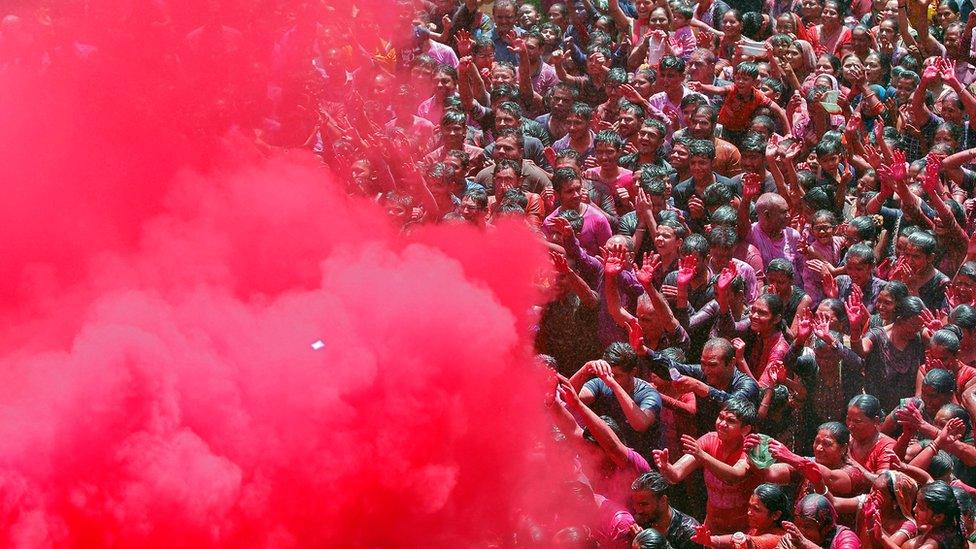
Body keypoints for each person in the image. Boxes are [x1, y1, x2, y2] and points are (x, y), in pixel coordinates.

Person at [652, 397, 762, 534]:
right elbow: (675, 475)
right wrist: (665, 467)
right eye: (721, 417)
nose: (722, 424)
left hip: (744, 532)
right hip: (712, 528)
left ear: (745, 429)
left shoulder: (751, 449)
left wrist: (703, 456)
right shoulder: (709, 440)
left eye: (731, 421)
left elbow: (735, 476)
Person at [631, 472, 703, 549]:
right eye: (636, 504)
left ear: (663, 500)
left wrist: (646, 541)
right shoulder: (641, 522)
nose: (639, 510)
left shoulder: (688, 533)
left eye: (644, 504)